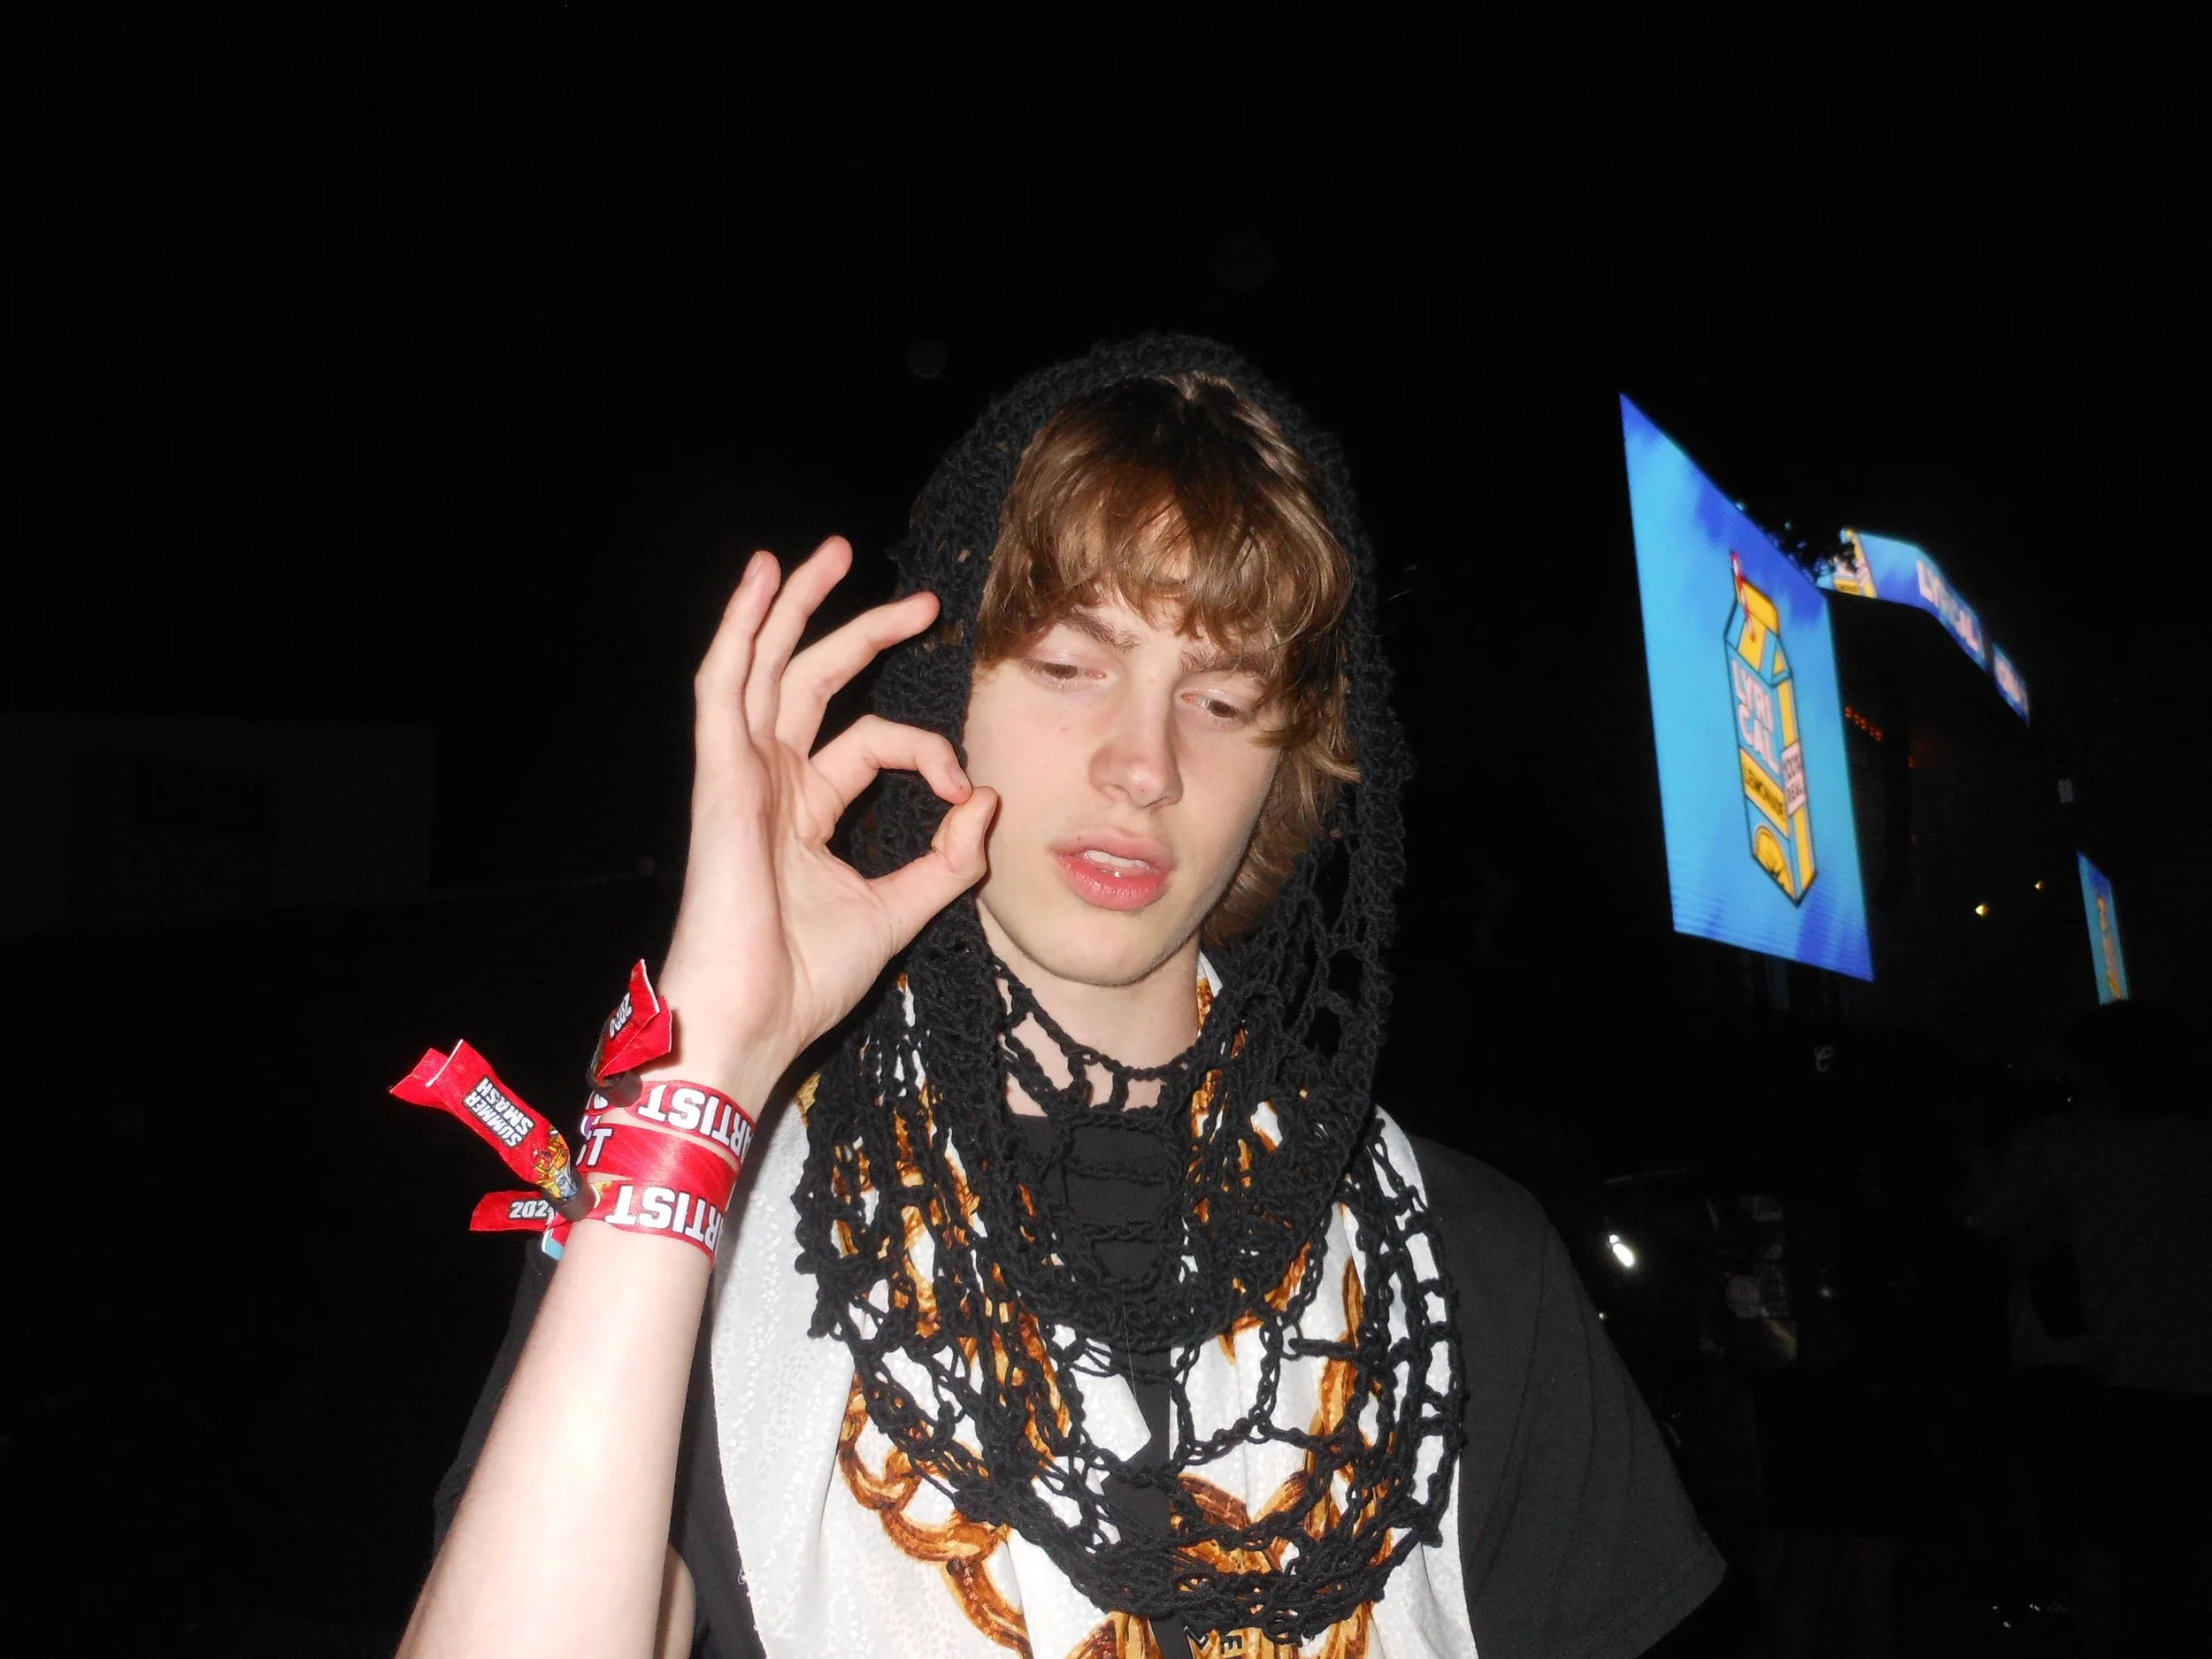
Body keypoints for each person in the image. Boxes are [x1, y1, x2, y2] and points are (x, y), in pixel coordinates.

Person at [402, 337, 1724, 1659]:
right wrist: (702, 1076)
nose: (1143, 765)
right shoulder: (710, 1216)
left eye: (1221, 696)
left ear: (1291, 762)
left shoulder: (1464, 1270)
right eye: (1068, 665)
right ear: (944, 686)